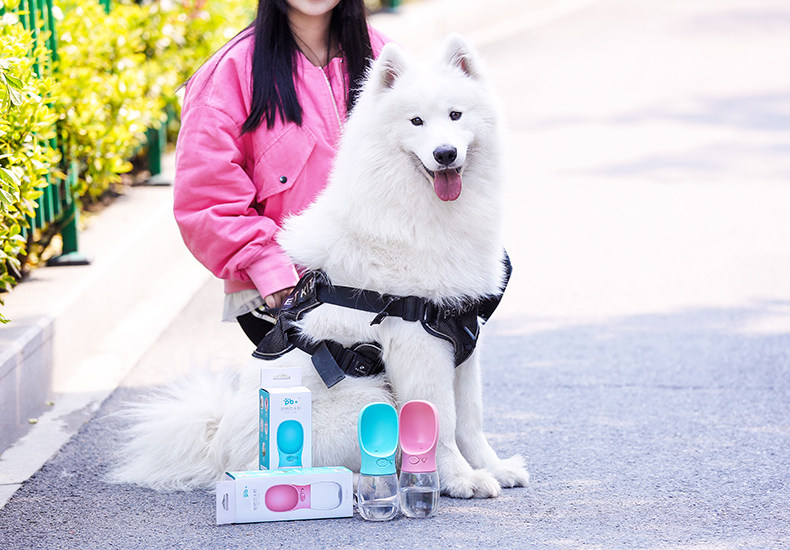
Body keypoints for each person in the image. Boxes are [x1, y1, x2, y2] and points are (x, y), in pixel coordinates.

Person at [173, 0, 389, 345]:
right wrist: (266, 264)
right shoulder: (230, 72)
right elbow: (206, 196)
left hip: (384, 287)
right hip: (283, 297)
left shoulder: (382, 57)